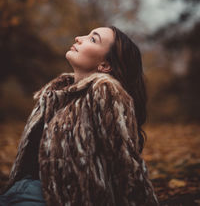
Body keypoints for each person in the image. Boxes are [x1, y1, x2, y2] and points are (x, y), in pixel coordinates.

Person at [0, 26, 159, 205]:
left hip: (49, 198)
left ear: (105, 65)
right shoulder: (55, 95)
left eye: (93, 39)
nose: (78, 38)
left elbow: (125, 165)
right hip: (17, 189)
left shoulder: (106, 92)